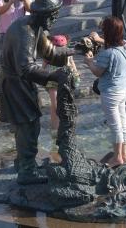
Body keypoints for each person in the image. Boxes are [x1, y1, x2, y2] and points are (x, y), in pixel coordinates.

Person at [0, 0, 73, 185]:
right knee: (28, 125)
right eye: (53, 14)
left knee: (29, 123)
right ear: (42, 14)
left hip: (22, 82)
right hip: (16, 83)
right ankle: (26, 170)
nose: (55, 18)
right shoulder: (25, 31)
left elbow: (50, 54)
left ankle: (24, 161)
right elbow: (26, 68)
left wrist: (75, 49)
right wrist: (55, 76)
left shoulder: (36, 26)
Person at [84, 16, 126, 168]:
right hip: (123, 91)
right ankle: (124, 154)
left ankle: (117, 157)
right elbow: (113, 46)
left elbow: (98, 72)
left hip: (110, 94)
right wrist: (98, 39)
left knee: (115, 126)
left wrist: (90, 61)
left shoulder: (107, 54)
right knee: (123, 124)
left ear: (108, 33)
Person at [42, 34, 79, 163]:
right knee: (55, 105)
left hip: (65, 79)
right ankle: (54, 135)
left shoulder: (68, 53)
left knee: (62, 105)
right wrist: (41, 77)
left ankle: (61, 131)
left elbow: (72, 63)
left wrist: (76, 75)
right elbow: (43, 67)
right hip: (53, 80)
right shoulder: (49, 54)